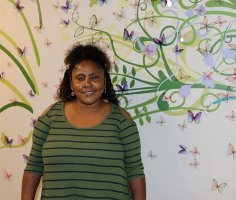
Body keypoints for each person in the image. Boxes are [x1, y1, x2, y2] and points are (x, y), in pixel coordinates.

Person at [21, 44, 146, 200]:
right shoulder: (50, 117)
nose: (87, 83)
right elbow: (34, 165)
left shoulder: (121, 120)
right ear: (71, 83)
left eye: (94, 77)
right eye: (80, 78)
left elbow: (134, 171)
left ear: (104, 81)